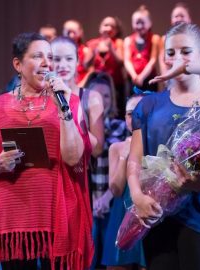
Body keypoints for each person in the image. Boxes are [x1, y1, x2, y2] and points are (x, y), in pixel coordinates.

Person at [0, 32, 93, 270]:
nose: (47, 63)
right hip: (13, 211)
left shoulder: (69, 101)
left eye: (49, 57)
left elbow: (72, 157)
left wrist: (65, 108)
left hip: (55, 208)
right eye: (38, 56)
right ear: (18, 64)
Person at [127, 22, 200, 270]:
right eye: (171, 52)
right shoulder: (148, 105)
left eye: (186, 52)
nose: (177, 59)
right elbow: (135, 158)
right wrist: (137, 195)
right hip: (158, 214)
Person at [83, 72, 127, 269]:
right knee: (88, 260)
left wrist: (106, 198)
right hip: (87, 202)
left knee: (110, 260)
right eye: (96, 95)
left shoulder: (122, 127)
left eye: (106, 96)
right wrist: (92, 199)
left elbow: (125, 167)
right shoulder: (79, 127)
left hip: (113, 201)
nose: (101, 101)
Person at [101, 95, 146, 270]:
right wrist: (124, 157)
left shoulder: (157, 143)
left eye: (140, 112)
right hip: (122, 215)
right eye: (129, 113)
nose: (134, 117)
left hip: (146, 215)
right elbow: (116, 189)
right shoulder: (116, 147)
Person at [51, 36, 105, 158]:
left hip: (81, 171)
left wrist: (68, 115)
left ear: (77, 61)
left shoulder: (91, 97)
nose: (63, 65)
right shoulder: (43, 98)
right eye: (57, 59)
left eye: (69, 59)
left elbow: (97, 150)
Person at [87, 16, 126, 117]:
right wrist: (94, 52)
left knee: (116, 113)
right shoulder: (93, 43)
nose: (109, 28)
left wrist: (111, 48)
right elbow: (85, 64)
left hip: (116, 85)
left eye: (112, 26)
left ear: (116, 30)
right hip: (97, 84)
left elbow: (121, 62)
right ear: (100, 28)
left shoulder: (118, 43)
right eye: (106, 25)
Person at [124, 5, 160, 92]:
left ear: (149, 23)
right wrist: (134, 76)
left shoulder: (154, 38)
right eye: (137, 23)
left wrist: (142, 77)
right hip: (133, 79)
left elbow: (153, 60)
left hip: (149, 80)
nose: (140, 26)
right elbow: (127, 60)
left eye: (142, 23)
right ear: (132, 24)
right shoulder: (128, 40)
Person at [159, 2, 192, 75]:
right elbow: (162, 60)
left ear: (189, 19)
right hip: (171, 77)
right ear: (171, 20)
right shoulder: (165, 39)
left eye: (182, 16)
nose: (179, 19)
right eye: (176, 16)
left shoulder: (194, 39)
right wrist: (165, 76)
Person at [63, 19, 92, 87]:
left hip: (81, 87)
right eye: (68, 32)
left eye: (74, 32)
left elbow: (91, 71)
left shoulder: (85, 51)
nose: (71, 35)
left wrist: (81, 84)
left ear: (80, 33)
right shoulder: (59, 52)